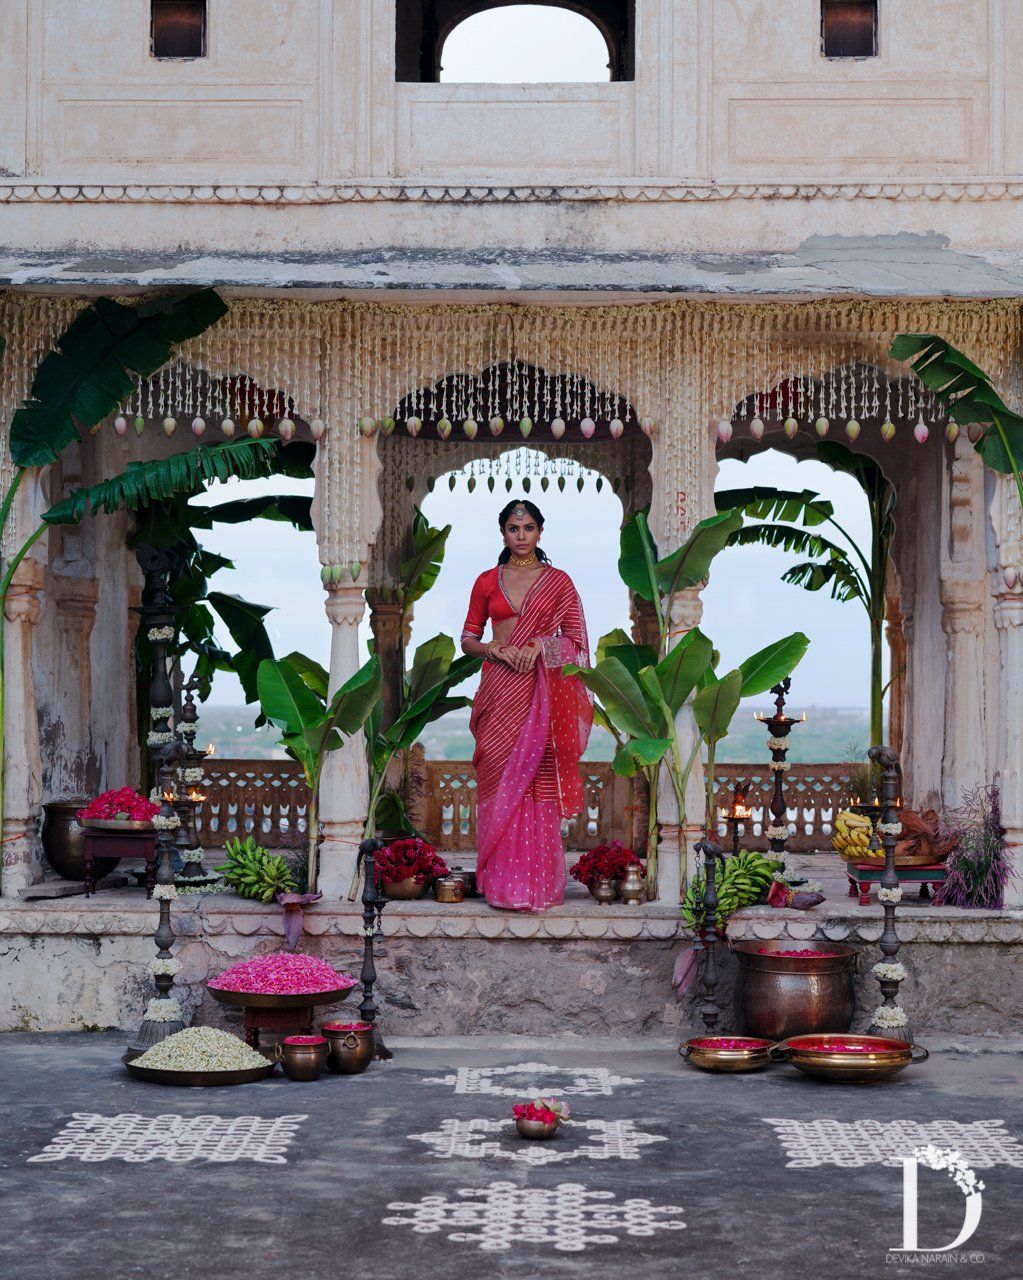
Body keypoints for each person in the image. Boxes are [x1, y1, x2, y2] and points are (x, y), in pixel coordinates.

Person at [460, 499, 592, 911]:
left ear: (540, 532)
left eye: (528, 527)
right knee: (497, 775)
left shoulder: (558, 581)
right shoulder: (486, 581)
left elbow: (577, 640)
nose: (521, 535)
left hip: (540, 693)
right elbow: (467, 639)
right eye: (514, 528)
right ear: (503, 533)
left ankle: (537, 887)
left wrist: (539, 646)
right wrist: (496, 650)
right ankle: (501, 884)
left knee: (536, 779)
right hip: (499, 688)